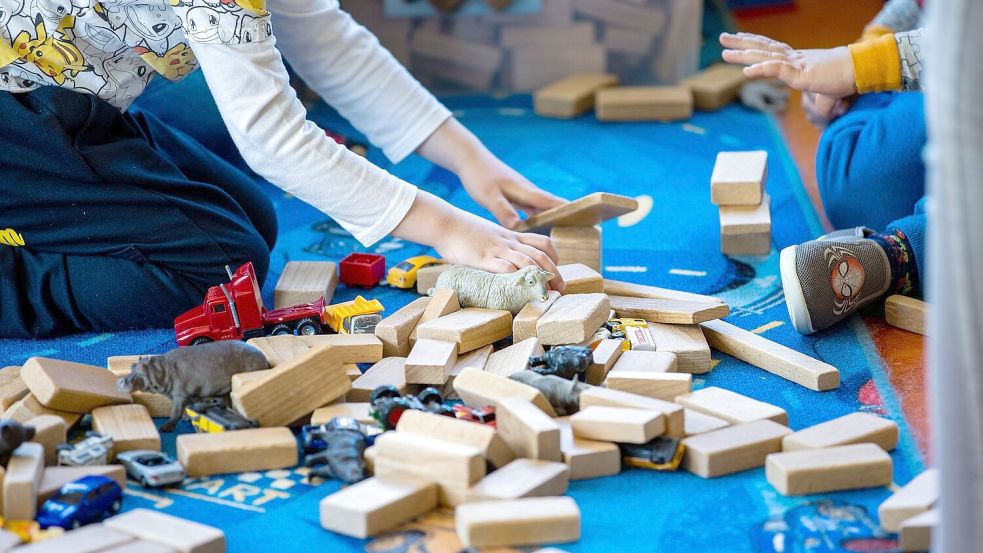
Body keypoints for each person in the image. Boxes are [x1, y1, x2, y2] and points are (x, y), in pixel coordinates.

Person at [0, 0, 565, 338]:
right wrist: (445, 228)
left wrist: (470, 157)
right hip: (20, 120)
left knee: (251, 218)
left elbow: (332, 47)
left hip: (73, 102)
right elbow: (271, 138)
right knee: (220, 267)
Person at [719, 0, 927, 334]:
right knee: (854, 183)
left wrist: (859, 67)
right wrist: (857, 71)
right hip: (947, 84)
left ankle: (899, 257)